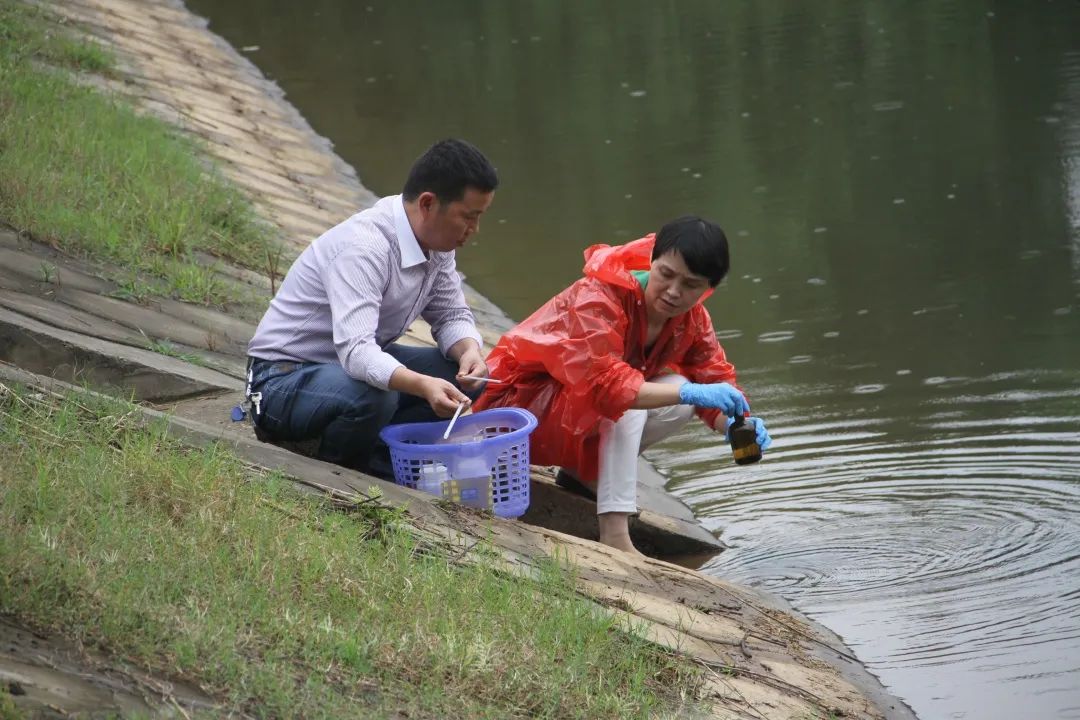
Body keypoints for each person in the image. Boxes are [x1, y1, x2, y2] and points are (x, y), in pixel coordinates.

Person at [472, 216, 772, 555]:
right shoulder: (600, 295)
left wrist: (732, 424)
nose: (674, 292)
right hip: (519, 409)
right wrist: (688, 390)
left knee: (678, 395)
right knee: (634, 399)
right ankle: (614, 535)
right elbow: (610, 388)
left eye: (690, 284)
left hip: (575, 415)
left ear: (708, 288)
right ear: (652, 261)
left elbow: (713, 380)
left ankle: (584, 477)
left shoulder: (693, 320)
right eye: (666, 274)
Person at [245, 138, 497, 476]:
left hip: (343, 370)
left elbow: (451, 314)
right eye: (468, 217)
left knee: (463, 377)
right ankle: (335, 466)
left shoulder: (437, 244)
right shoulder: (366, 247)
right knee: (376, 396)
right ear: (427, 203)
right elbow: (358, 353)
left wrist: (469, 351)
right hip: (281, 379)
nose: (474, 230)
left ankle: (379, 451)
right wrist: (422, 386)